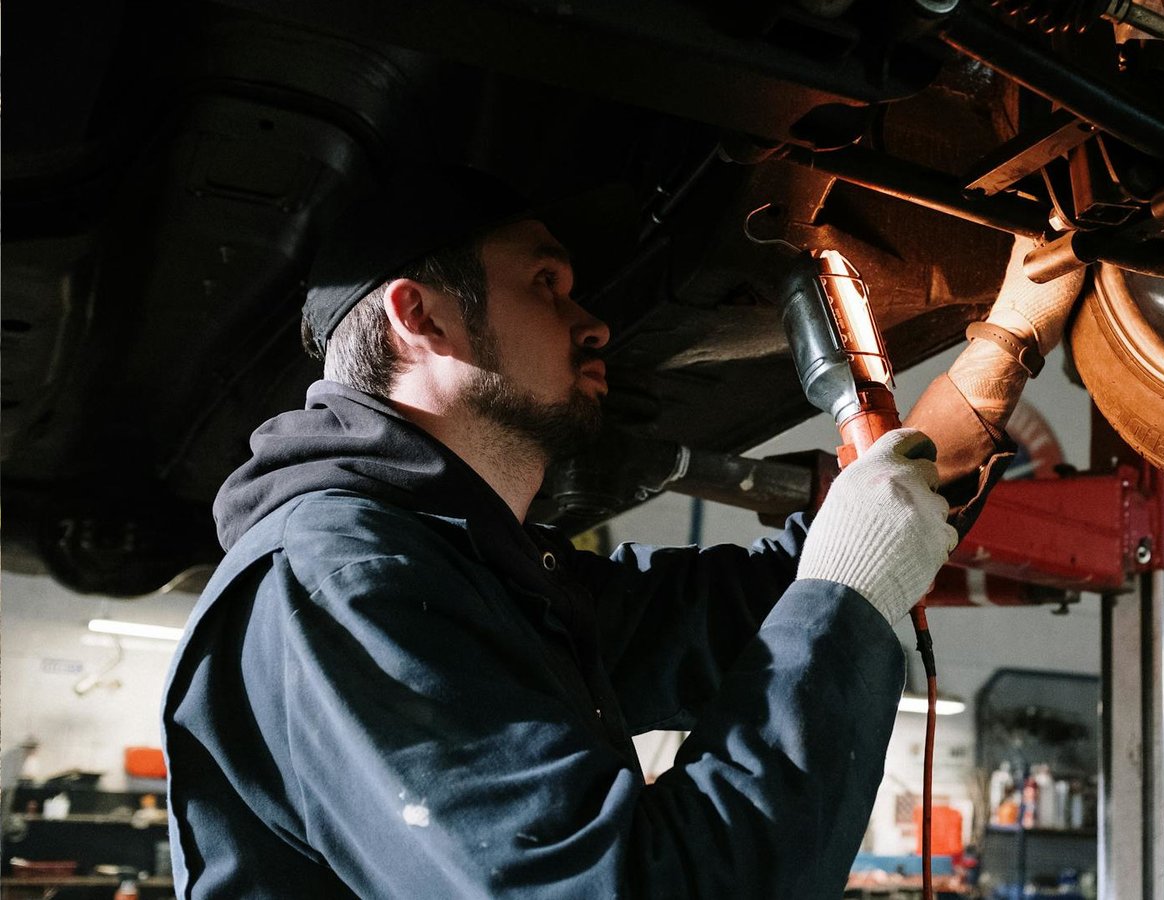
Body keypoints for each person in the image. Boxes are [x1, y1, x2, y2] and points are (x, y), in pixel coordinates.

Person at [162, 168, 1079, 898]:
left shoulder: (472, 571)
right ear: (420, 316)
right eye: (546, 283)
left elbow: (760, 609)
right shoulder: (340, 582)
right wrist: (850, 594)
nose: (594, 321)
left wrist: (1004, 348)